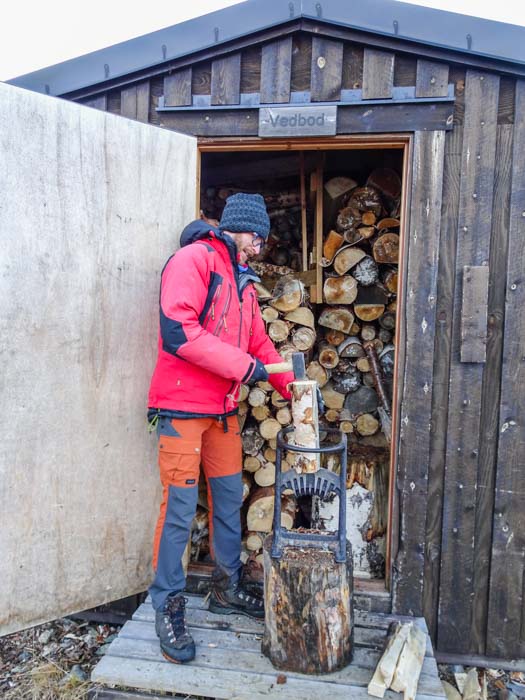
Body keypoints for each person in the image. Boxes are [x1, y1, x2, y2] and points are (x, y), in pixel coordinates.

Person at [147, 193, 294, 664]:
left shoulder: (243, 283)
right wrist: (245, 368)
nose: (259, 247)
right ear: (237, 228)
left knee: (229, 499)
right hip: (182, 409)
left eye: (263, 241)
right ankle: (167, 603)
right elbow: (179, 331)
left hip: (223, 412)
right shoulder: (193, 261)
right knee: (179, 509)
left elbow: (259, 343)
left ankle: (226, 586)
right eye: (257, 238)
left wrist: (292, 386)